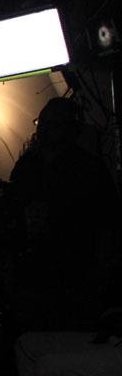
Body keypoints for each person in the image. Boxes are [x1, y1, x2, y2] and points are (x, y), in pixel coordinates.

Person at [9, 96, 120, 331]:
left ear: (71, 128)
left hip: (75, 270)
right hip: (34, 269)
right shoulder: (28, 165)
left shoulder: (89, 168)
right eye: (43, 123)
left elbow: (108, 222)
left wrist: (101, 270)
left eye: (54, 123)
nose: (46, 129)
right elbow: (13, 207)